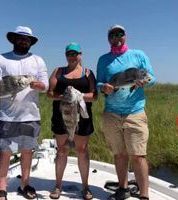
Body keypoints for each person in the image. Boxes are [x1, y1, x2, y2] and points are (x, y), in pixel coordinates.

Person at [0, 26, 48, 200]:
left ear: (31, 42)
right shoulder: (1, 58)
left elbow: (45, 86)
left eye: (27, 39)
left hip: (31, 115)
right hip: (6, 116)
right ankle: (2, 188)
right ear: (14, 39)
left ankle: (24, 184)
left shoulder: (38, 60)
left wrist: (37, 85)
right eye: (20, 38)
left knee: (27, 151)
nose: (24, 41)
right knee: (5, 151)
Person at [96, 24, 156, 200]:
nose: (116, 37)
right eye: (112, 35)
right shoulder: (103, 60)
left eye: (119, 34)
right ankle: (123, 188)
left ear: (125, 36)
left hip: (134, 112)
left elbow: (152, 78)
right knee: (119, 154)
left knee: (138, 155)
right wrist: (103, 87)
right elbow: (99, 82)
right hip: (111, 113)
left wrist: (146, 82)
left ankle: (144, 195)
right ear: (109, 39)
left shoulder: (138, 55)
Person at [47, 42, 97, 200]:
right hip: (62, 116)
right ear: (66, 55)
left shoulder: (88, 73)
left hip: (82, 117)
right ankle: (57, 186)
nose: (72, 57)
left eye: (75, 54)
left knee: (82, 151)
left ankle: (86, 187)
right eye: (69, 54)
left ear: (80, 55)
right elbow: (50, 93)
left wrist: (78, 96)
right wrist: (65, 97)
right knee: (62, 151)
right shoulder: (58, 71)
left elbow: (94, 96)